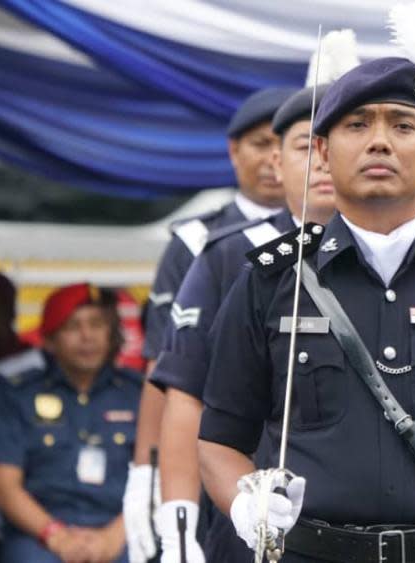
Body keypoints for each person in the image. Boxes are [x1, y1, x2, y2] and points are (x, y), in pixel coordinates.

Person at [197, 5, 415, 562]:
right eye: (358, 124)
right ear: (322, 151)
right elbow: (220, 441)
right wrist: (246, 504)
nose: (380, 141)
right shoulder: (272, 281)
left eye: (403, 124)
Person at [148, 31, 355, 563]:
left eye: (336, 143)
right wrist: (177, 525)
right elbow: (185, 395)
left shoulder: (407, 259)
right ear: (278, 164)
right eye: (307, 146)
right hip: (254, 523)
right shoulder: (226, 258)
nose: (323, 161)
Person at [124, 85, 294, 562]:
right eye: (260, 144)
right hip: (215, 445)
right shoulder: (201, 242)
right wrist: (147, 472)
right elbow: (167, 366)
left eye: (286, 144)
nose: (272, 159)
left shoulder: (331, 235)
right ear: (233, 151)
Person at [0, 283, 141, 562]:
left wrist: (114, 537)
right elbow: (5, 487)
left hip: (122, 531)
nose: (87, 336)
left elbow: (157, 480)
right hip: (39, 535)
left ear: (111, 333)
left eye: (96, 324)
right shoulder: (16, 395)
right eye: (73, 326)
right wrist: (57, 537)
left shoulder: (140, 395)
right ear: (50, 339)